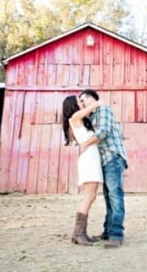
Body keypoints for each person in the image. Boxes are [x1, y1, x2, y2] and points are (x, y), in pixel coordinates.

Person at [78, 89, 128, 249]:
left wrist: (86, 144)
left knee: (115, 195)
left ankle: (116, 235)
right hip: (106, 160)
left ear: (93, 99)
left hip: (113, 157)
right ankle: (108, 231)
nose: (82, 104)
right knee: (108, 197)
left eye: (84, 100)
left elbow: (104, 131)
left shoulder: (103, 109)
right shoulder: (91, 118)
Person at [62, 95, 104, 246]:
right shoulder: (75, 117)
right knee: (89, 196)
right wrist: (98, 102)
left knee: (90, 196)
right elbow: (92, 107)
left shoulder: (77, 120)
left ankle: (80, 233)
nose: (82, 103)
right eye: (79, 101)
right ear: (72, 105)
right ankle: (79, 233)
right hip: (89, 159)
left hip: (90, 158)